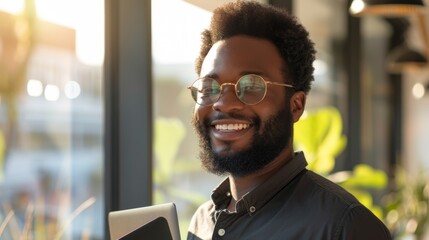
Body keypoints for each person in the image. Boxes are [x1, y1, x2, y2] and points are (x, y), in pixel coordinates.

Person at [186, 1, 392, 239]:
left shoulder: (344, 226)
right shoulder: (201, 223)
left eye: (252, 86)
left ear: (296, 106)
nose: (223, 102)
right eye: (210, 87)